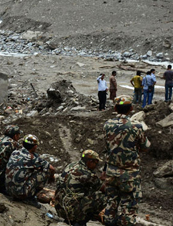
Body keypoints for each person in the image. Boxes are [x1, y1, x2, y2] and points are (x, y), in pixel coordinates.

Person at [103, 95, 151, 226]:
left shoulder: (107, 125)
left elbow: (107, 147)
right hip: (129, 174)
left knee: (111, 204)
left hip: (111, 172)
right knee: (129, 206)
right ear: (131, 108)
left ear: (115, 108)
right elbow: (145, 147)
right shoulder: (136, 126)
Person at [55, 150, 106, 226]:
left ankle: (73, 219)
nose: (96, 166)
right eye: (96, 163)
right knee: (103, 197)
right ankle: (80, 221)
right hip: (71, 212)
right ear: (90, 162)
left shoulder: (71, 165)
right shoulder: (86, 173)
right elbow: (103, 188)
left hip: (59, 208)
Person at [4, 134, 55, 208]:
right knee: (45, 172)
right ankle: (29, 198)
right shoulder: (32, 158)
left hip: (8, 189)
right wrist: (52, 177)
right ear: (35, 146)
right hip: (19, 193)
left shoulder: (15, 152)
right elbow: (51, 168)